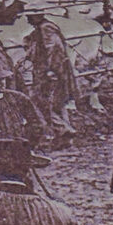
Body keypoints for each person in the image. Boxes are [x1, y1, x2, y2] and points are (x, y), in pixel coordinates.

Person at [24, 12, 80, 145]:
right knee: (57, 103)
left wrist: (50, 70)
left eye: (29, 17)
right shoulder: (39, 30)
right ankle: (66, 139)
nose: (28, 20)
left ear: (37, 16)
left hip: (50, 72)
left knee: (40, 102)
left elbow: (53, 50)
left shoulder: (46, 29)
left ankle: (64, 129)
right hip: (50, 71)